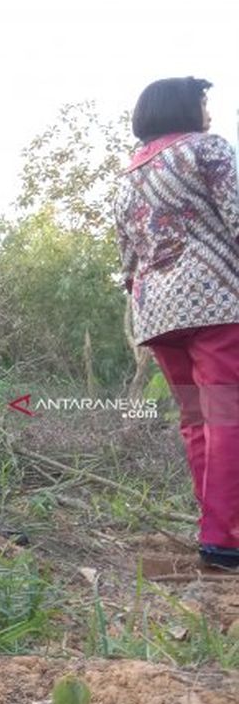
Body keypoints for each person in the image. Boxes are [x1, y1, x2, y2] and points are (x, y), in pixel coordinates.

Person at [114, 76, 239, 570]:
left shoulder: (130, 175)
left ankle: (216, 533)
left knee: (197, 420)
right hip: (216, 306)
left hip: (158, 315)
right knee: (228, 416)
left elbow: (127, 259)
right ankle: (226, 538)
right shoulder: (207, 150)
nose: (208, 111)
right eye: (204, 102)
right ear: (184, 107)